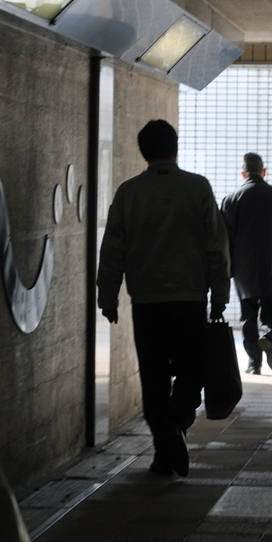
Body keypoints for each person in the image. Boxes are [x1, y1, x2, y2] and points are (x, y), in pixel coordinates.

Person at [97, 120, 230, 477]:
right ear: (176, 146)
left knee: (154, 377)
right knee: (193, 370)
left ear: (143, 151)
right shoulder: (198, 187)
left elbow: (113, 249)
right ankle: (177, 420)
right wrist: (219, 295)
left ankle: (162, 451)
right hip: (189, 298)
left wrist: (107, 296)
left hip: (146, 301)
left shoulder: (128, 192)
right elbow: (217, 246)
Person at [220, 153, 272, 376]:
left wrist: (226, 269)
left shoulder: (231, 199)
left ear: (243, 173)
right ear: (264, 172)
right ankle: (269, 337)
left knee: (248, 316)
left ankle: (254, 363)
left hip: (244, 270)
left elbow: (225, 238)